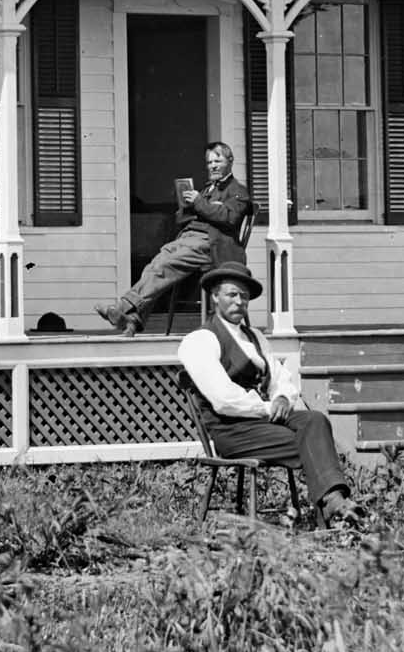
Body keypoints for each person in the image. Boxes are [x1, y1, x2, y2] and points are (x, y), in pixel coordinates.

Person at [179, 262, 361, 527]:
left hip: (265, 424)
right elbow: (223, 398)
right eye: (232, 294)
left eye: (244, 296)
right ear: (215, 297)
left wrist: (283, 398)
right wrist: (268, 407)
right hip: (233, 431)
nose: (239, 301)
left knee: (315, 421)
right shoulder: (201, 340)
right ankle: (333, 509)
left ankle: (334, 503)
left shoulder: (255, 337)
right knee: (311, 443)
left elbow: (280, 377)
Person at [96, 139, 254, 334]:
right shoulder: (208, 188)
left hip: (212, 243)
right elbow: (193, 216)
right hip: (189, 237)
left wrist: (199, 203)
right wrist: (186, 207)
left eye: (217, 161)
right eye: (209, 162)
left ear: (230, 161)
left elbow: (228, 218)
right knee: (157, 263)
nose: (212, 166)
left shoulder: (238, 191)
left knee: (165, 265)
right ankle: (132, 319)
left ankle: (123, 308)